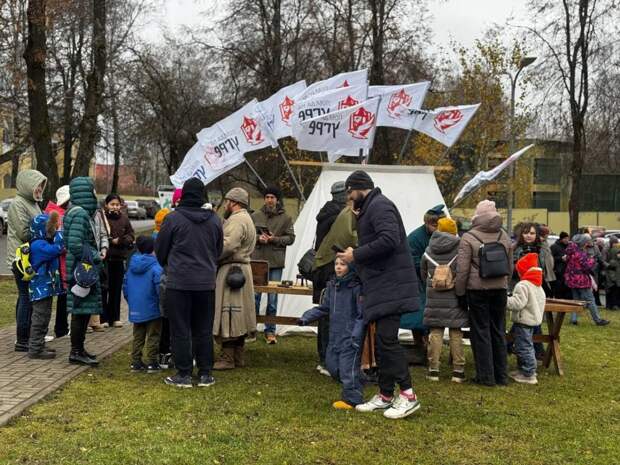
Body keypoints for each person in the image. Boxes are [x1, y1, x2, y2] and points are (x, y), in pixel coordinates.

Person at [337, 170, 421, 420]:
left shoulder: (380, 206)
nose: (349, 199)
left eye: (350, 193)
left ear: (359, 188)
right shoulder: (371, 207)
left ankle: (408, 395)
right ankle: (385, 395)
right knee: (382, 342)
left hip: (391, 284)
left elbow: (389, 240)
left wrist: (356, 255)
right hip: (384, 284)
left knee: (387, 341)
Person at [155, 178, 223, 388]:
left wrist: (171, 265)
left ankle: (183, 373)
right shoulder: (214, 220)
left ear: (184, 195)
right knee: (203, 328)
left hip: (179, 282)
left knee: (180, 328)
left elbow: (161, 250)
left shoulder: (173, 219)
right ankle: (205, 373)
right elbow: (218, 250)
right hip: (205, 283)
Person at [455, 200, 512, 387]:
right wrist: (505, 283)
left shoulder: (468, 237)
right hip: (500, 289)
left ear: (477, 216)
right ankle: (501, 375)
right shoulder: (503, 235)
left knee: (480, 332)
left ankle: (486, 377)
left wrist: (460, 292)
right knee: (498, 331)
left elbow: (462, 270)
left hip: (477, 290)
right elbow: (509, 265)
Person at [298, 257, 364, 409]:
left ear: (351, 267)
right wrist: (306, 317)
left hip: (350, 335)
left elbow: (361, 315)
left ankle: (353, 399)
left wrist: (356, 334)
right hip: (334, 334)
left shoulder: (356, 288)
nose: (338, 267)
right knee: (332, 366)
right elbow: (324, 308)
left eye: (343, 264)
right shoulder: (332, 286)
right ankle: (360, 378)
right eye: (336, 264)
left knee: (347, 368)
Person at [213, 188, 256, 370]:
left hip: (233, 270)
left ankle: (228, 357)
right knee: (238, 312)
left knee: (230, 312)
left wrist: (212, 254)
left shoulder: (237, 220)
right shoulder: (247, 219)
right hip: (241, 269)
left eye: (227, 201)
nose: (225, 204)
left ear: (233, 202)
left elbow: (228, 245)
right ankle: (238, 356)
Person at [421, 217, 468, 383]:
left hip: (434, 296)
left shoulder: (429, 249)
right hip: (454, 296)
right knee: (456, 333)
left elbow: (423, 272)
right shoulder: (460, 248)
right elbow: (463, 271)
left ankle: (433, 369)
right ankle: (458, 371)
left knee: (435, 333)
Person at [63, 177, 103, 366]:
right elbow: (75, 244)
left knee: (84, 310)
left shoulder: (76, 212)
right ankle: (76, 352)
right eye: (92, 189)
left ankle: (79, 349)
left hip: (79, 268)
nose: (95, 193)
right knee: (80, 311)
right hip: (81, 270)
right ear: (86, 192)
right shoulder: (79, 214)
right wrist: (95, 256)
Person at [7, 169, 47, 352]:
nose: (40, 189)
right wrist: (44, 231)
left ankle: (27, 335)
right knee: (26, 297)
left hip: (31, 257)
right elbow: (23, 232)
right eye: (38, 185)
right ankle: (22, 339)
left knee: (28, 297)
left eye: (41, 185)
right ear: (28, 185)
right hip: (21, 259)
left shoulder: (34, 203)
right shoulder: (18, 204)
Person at [311, 181, 348, 374]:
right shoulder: (339, 216)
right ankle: (328, 359)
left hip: (324, 269)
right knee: (331, 314)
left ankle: (325, 357)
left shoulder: (326, 212)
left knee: (325, 313)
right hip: (333, 269)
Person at [252, 185, 295, 344]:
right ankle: (252, 329)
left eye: (272, 197)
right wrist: (258, 239)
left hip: (276, 262)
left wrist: (273, 239)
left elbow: (291, 238)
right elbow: (249, 235)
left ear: (277, 200)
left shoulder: (286, 218)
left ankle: (270, 331)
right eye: (267, 197)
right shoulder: (255, 216)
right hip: (258, 261)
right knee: (255, 297)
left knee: (272, 298)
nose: (269, 200)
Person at [405, 204, 446, 359]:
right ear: (427, 223)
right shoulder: (415, 238)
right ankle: (420, 345)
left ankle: (430, 346)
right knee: (419, 315)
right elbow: (411, 259)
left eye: (438, 225)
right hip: (418, 281)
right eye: (433, 225)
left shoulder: (445, 234)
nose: (436, 228)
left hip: (438, 281)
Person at [27, 212, 65, 359]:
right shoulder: (38, 245)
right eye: (51, 228)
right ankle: (35, 349)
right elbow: (57, 249)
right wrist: (60, 232)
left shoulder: (40, 242)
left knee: (45, 316)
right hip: (40, 289)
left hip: (45, 288)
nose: (53, 230)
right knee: (40, 318)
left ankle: (39, 344)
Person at [124, 236, 163, 373]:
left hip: (136, 307)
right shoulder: (156, 267)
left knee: (138, 335)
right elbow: (159, 288)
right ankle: (152, 362)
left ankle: (136, 362)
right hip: (152, 307)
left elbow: (126, 287)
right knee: (153, 335)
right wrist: (162, 304)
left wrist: (132, 302)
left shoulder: (131, 266)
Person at [507, 253, 546, 385]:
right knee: (524, 345)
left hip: (524, 321)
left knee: (524, 347)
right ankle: (523, 370)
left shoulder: (522, 285)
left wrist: (504, 300)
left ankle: (529, 373)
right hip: (532, 320)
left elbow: (517, 303)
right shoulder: (537, 284)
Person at [102, 194, 135, 328]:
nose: (115, 207)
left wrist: (120, 240)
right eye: (112, 204)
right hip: (105, 258)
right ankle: (103, 318)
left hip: (119, 258)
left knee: (116, 290)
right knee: (105, 288)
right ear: (106, 205)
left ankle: (114, 317)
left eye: (117, 204)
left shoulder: (124, 219)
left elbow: (131, 235)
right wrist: (110, 241)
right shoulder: (102, 218)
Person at [44, 185, 71, 338]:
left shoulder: (52, 212)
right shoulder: (58, 215)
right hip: (58, 261)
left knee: (59, 296)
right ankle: (60, 328)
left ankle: (60, 328)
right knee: (60, 296)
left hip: (56, 261)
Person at [565, 234, 610, 326]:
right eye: (586, 242)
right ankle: (597, 320)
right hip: (581, 280)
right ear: (583, 243)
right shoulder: (580, 253)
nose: (587, 244)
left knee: (576, 300)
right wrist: (592, 260)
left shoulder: (571, 251)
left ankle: (573, 319)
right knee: (590, 300)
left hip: (572, 279)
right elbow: (587, 267)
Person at [550, 232, 572, 299]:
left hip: (568, 272)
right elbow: (551, 258)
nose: (567, 240)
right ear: (561, 239)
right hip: (558, 272)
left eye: (568, 238)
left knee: (568, 292)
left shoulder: (569, 246)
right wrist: (561, 258)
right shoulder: (554, 246)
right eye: (565, 238)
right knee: (559, 291)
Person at [605, 238, 620, 310]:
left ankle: (614, 305)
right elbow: (611, 271)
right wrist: (614, 279)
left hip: (616, 280)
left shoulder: (617, 261)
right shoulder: (613, 262)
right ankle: (612, 305)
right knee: (612, 292)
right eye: (618, 254)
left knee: (615, 293)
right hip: (613, 281)